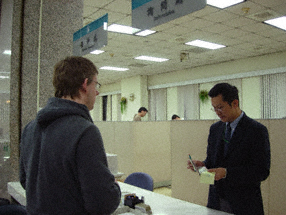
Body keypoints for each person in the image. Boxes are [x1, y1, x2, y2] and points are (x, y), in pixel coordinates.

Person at [19, 56, 121, 215]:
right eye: (96, 84)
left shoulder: (30, 128)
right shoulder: (85, 131)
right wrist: (114, 188)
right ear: (85, 84)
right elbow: (101, 203)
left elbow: (27, 181)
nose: (97, 91)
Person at [187, 83, 270, 215]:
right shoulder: (215, 129)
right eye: (214, 108)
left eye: (220, 107)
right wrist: (202, 164)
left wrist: (227, 173)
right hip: (216, 200)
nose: (217, 113)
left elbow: (261, 171)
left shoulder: (256, 130)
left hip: (243, 203)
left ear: (235, 103)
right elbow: (213, 161)